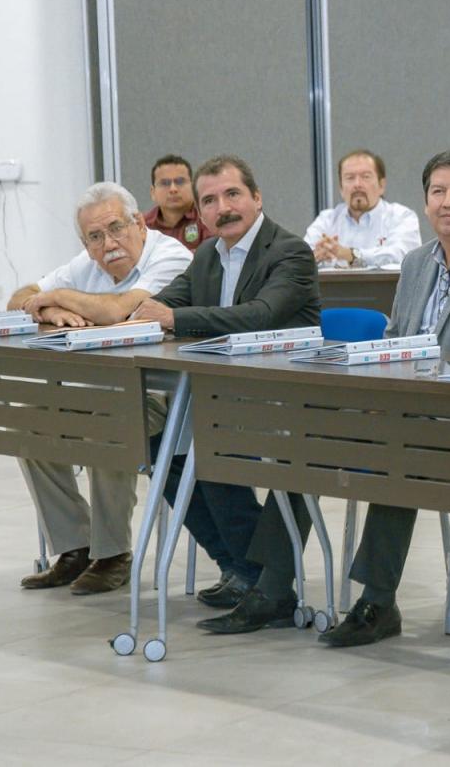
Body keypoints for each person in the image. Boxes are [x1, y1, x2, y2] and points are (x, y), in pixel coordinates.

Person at [204, 148, 450, 636]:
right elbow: (395, 341)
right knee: (308, 436)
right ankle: (272, 588)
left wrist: (415, 394)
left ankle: (377, 602)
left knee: (402, 448)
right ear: (425, 201)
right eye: (438, 191)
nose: (448, 202)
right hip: (405, 409)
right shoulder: (417, 263)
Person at [130, 154, 322, 612]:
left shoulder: (290, 251)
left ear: (257, 197)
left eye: (233, 194)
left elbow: (260, 316)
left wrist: (173, 318)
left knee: (210, 442)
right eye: (210, 201)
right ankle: (241, 567)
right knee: (158, 449)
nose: (223, 208)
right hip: (226, 394)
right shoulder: (207, 256)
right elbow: (159, 305)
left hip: (289, 395)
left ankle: (259, 576)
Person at [7, 182, 192, 594]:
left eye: (116, 228)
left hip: (159, 393)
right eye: (95, 237)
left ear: (139, 223)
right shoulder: (88, 262)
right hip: (95, 388)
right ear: (85, 244)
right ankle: (75, 546)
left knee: (107, 423)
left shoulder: (170, 255)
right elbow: (18, 299)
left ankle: (113, 554)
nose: (108, 244)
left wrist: (56, 296)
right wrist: (50, 308)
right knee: (29, 426)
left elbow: (117, 310)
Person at [304, 149, 421, 267]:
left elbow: (403, 256)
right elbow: (302, 257)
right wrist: (316, 256)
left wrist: (351, 255)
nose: (357, 184)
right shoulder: (327, 220)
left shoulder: (402, 217)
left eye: (366, 177)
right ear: (341, 188)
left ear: (381, 185)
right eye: (350, 178)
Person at [145, 154, 213, 251]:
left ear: (193, 187)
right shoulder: (143, 226)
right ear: (153, 192)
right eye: (164, 183)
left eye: (180, 181)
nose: (173, 189)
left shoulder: (208, 218)